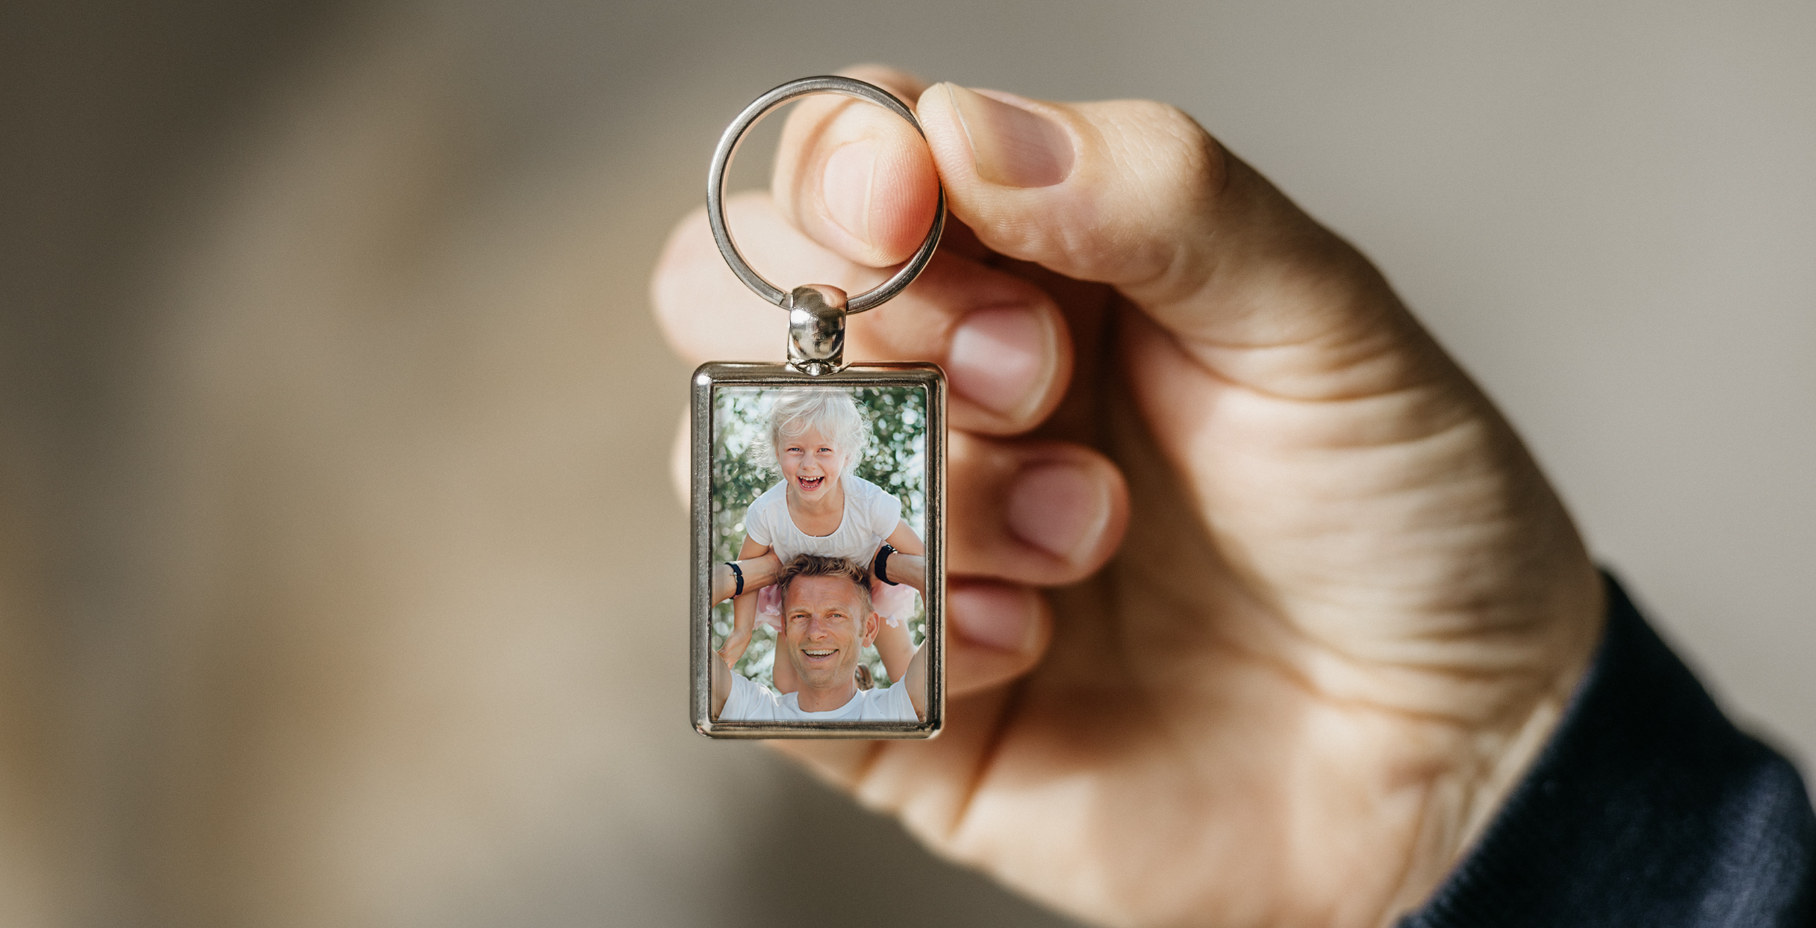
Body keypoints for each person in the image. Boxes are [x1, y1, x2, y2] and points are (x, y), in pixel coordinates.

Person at [653, 66, 1814, 926]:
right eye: (791, 456)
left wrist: (1495, 776)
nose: (805, 469)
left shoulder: (875, 523)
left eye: (816, 455)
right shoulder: (783, 537)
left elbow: (884, 566)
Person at [719, 389, 923, 693]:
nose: (808, 464)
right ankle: (849, 681)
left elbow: (920, 556)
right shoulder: (768, 511)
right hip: (805, 599)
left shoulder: (868, 503)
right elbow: (746, 574)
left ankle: (857, 681)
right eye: (795, 450)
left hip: (867, 587)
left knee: (905, 670)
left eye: (824, 450)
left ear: (847, 455)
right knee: (786, 683)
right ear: (777, 451)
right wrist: (741, 632)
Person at [712, 554, 928, 723]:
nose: (815, 632)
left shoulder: (896, 711)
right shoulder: (752, 712)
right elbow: (679, 609)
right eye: (800, 616)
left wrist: (884, 562)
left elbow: (953, 603)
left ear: (869, 629)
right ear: (785, 629)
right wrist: (756, 571)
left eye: (835, 615)